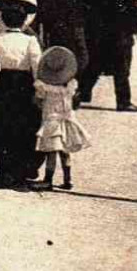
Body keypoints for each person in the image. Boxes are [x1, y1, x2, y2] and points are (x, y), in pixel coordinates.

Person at [0, 0, 44, 187]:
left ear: (3, 19)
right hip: (25, 84)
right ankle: (22, 171)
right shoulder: (30, 41)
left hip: (4, 84)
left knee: (3, 128)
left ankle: (3, 174)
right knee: (26, 127)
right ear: (24, 20)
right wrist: (38, 91)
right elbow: (37, 68)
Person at [77, 0, 137, 113]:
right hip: (120, 32)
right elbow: (131, 10)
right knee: (122, 67)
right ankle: (124, 101)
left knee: (96, 64)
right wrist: (134, 27)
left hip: (101, 30)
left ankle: (82, 93)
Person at [35, 46, 89, 191]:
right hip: (67, 119)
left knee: (51, 152)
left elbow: (39, 100)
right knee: (65, 152)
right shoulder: (71, 86)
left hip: (52, 121)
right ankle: (68, 179)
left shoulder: (44, 87)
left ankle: (48, 179)